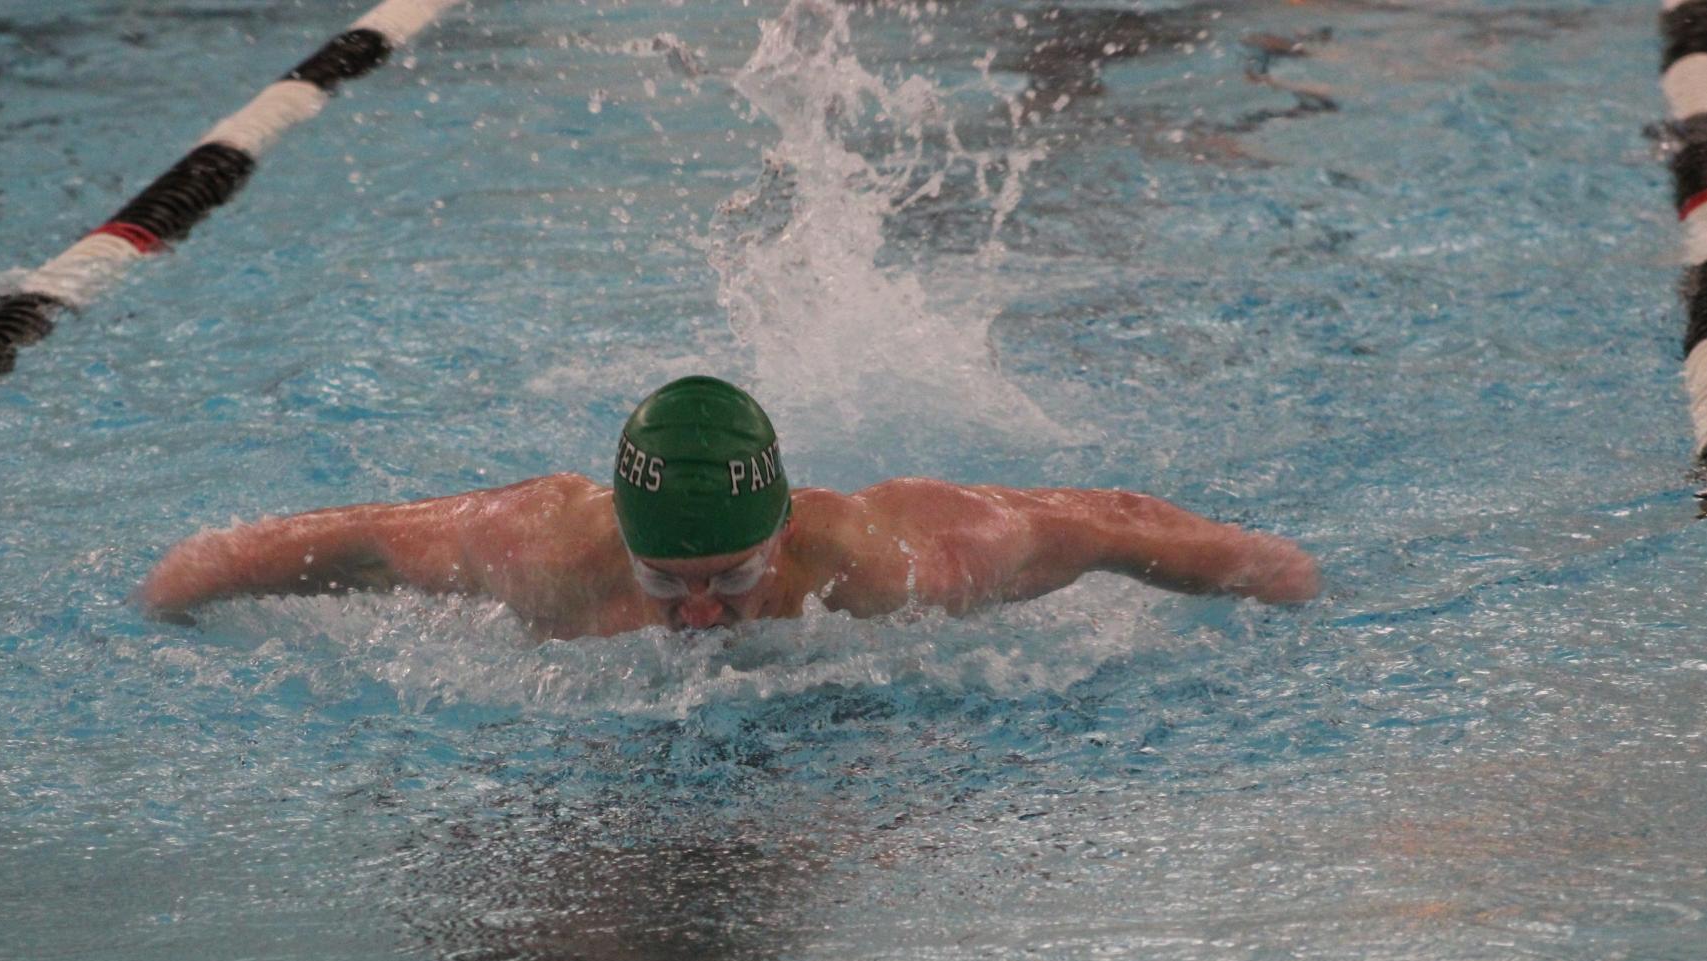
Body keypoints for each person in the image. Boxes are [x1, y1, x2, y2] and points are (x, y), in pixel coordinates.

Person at [138, 376, 1320, 638]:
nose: (702, 614)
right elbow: (343, 538)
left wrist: (1277, 576)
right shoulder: (544, 551)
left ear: (786, 527)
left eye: (732, 577)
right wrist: (178, 591)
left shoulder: (900, 557)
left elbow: (1109, 520)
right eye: (669, 583)